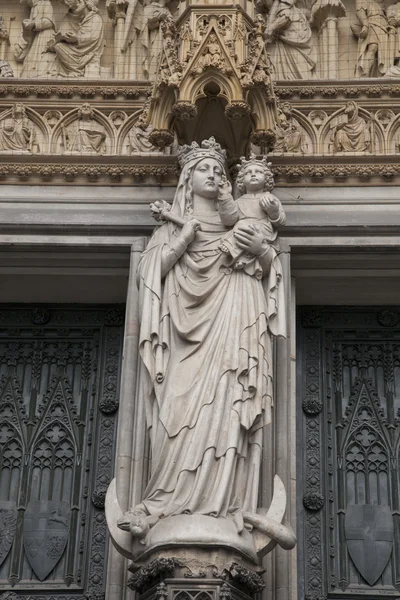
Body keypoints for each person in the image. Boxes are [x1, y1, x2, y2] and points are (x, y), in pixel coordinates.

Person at [129, 138, 286, 529]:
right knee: (176, 410)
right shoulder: (170, 228)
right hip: (182, 330)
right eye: (204, 168)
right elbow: (150, 272)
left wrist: (264, 254)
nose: (214, 174)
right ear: (187, 177)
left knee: (230, 398)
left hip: (235, 311)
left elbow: (269, 272)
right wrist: (182, 239)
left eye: (219, 169)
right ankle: (166, 502)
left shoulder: (243, 219)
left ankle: (226, 506)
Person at [218, 155, 286, 279]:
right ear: (241, 180)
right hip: (241, 232)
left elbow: (281, 221)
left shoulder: (270, 198)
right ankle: (239, 256)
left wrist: (273, 211)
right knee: (239, 227)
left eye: (258, 172)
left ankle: (233, 248)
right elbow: (229, 220)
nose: (253, 175)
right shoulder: (239, 201)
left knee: (242, 226)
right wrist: (226, 196)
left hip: (263, 230)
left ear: (267, 178)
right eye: (248, 173)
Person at [47, 0, 104, 78]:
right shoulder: (68, 17)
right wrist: (57, 40)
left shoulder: (95, 18)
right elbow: (60, 34)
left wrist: (76, 39)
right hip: (73, 50)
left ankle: (77, 71)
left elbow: (93, 38)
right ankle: (76, 70)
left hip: (87, 52)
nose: (66, 3)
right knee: (58, 46)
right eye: (64, 2)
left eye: (68, 0)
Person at [266, 0, 316, 80]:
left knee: (298, 70)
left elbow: (285, 18)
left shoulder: (284, 4)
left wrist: (270, 29)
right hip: (290, 41)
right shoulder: (293, 9)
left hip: (292, 41)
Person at [14, 0, 56, 78]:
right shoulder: (34, 7)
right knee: (29, 64)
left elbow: (49, 22)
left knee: (40, 62)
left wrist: (34, 24)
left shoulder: (45, 3)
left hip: (45, 36)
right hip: (37, 37)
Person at [353, 0, 391, 77]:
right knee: (373, 47)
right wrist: (365, 24)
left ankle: (377, 75)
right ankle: (365, 72)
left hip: (384, 29)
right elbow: (360, 12)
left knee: (382, 54)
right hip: (373, 25)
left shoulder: (380, 4)